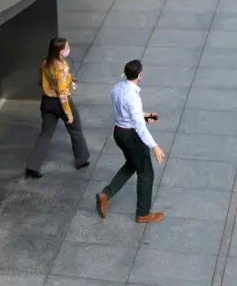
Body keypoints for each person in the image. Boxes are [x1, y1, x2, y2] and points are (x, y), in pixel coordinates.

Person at [96, 59, 165, 223]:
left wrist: (148, 117)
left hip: (119, 132)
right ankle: (143, 213)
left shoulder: (117, 88)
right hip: (132, 136)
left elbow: (125, 114)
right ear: (140, 75)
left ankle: (106, 195)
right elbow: (139, 127)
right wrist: (154, 146)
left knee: (132, 164)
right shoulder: (133, 97)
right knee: (146, 173)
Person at [25, 37, 88, 178]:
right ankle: (81, 160)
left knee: (45, 133)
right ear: (60, 52)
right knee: (75, 129)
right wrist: (69, 114)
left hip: (46, 102)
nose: (68, 49)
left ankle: (32, 166)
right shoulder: (62, 69)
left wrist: (69, 79)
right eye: (66, 47)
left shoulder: (45, 63)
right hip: (61, 103)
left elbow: (40, 81)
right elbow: (62, 95)